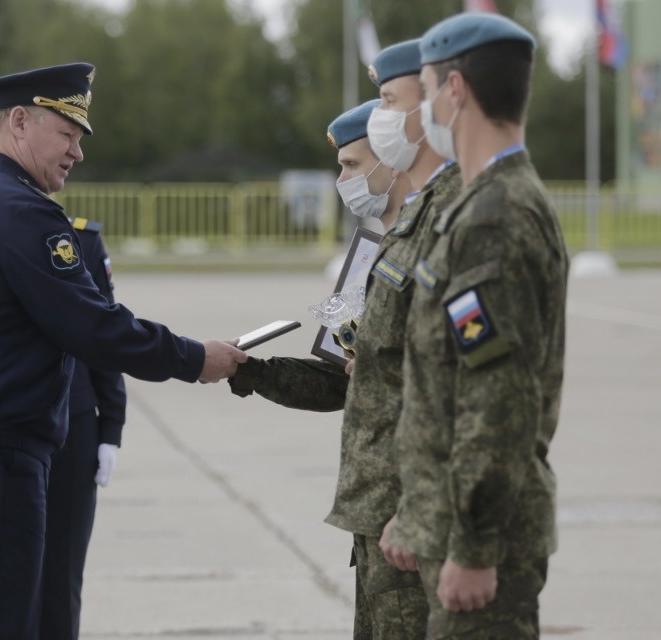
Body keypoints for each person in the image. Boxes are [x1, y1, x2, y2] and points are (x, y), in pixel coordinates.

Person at [0, 62, 246, 639]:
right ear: (18, 123)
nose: (77, 152)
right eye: (68, 134)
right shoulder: (19, 210)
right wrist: (193, 358)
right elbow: (93, 326)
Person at [230, 40, 461, 639]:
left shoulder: (439, 241)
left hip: (415, 513)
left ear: (391, 160)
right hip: (373, 515)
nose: (343, 181)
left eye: (352, 166)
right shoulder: (367, 256)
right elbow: (338, 377)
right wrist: (249, 372)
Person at [382, 14, 569, 639]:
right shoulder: (479, 202)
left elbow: (498, 400)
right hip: (453, 525)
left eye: (429, 87)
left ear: (456, 91)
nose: (428, 104)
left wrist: (476, 545)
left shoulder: (497, 215)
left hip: (486, 543)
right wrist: (417, 511)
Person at [39, 216, 127, 640]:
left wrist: (110, 426)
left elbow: (103, 334)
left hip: (73, 426)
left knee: (60, 577)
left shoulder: (78, 240)